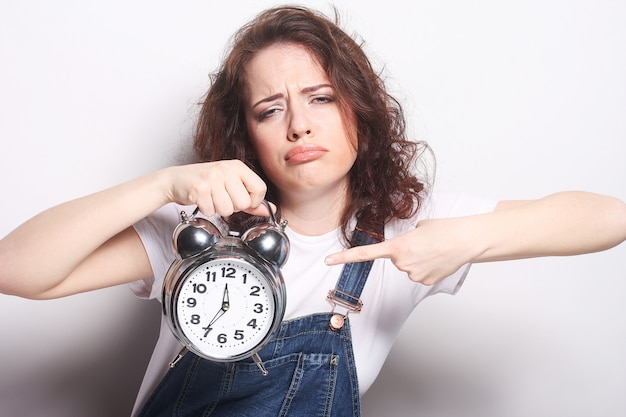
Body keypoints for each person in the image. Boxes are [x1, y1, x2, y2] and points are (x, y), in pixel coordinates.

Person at [0, 5, 625, 417]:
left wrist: (467, 239)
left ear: (358, 107)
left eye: (320, 98)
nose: (300, 125)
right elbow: (16, 269)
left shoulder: (405, 225)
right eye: (270, 108)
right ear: (246, 134)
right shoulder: (199, 234)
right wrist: (163, 185)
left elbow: (609, 217)